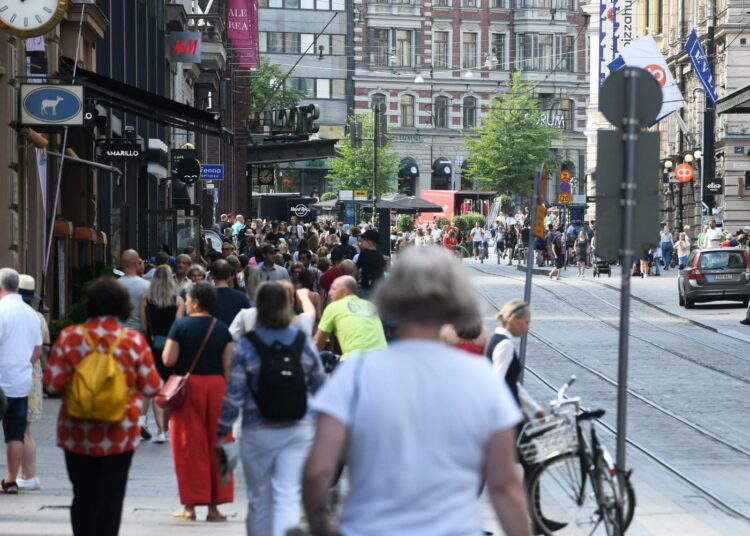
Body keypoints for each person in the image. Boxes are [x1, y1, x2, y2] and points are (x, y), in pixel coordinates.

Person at [303, 247, 530, 536]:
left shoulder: (356, 374)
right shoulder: (480, 379)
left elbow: (317, 470)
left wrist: (321, 526)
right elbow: (504, 486)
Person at [43, 277, 161, 534]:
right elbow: (153, 386)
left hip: (77, 433)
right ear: (123, 306)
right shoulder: (132, 341)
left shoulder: (70, 337)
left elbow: (51, 383)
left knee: (82, 496)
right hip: (119, 434)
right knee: (111, 500)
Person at [219, 282, 326, 536]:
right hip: (299, 428)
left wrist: (221, 430)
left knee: (258, 498)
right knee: (288, 493)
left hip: (258, 428)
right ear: (288, 305)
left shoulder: (247, 345)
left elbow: (234, 394)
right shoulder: (302, 342)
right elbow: (320, 384)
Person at [162, 282, 234, 521]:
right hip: (216, 387)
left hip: (189, 389)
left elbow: (169, 359)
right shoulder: (223, 329)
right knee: (220, 443)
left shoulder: (180, 326)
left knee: (188, 446)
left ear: (193, 302)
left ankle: (191, 506)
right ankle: (215, 508)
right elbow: (228, 368)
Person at [0, 268, 43, 494]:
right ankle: (10, 479)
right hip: (21, 382)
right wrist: (23, 363)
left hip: (1, 381)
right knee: (15, 434)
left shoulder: (1, 310)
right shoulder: (30, 314)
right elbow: (37, 349)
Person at [140, 265, 184, 443]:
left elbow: (143, 327)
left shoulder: (146, 299)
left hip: (152, 345)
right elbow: (179, 326)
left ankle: (144, 420)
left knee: (151, 383)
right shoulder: (178, 301)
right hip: (171, 347)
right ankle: (162, 430)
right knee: (167, 387)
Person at [16, 275, 49, 491]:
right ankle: (25, 473)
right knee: (25, 429)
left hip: (19, 374)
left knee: (21, 430)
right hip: (34, 374)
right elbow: (45, 346)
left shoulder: (14, 315)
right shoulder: (38, 318)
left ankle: (28, 475)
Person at [313, 276, 387, 361]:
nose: (329, 293)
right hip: (383, 360)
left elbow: (318, 343)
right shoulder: (369, 305)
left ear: (345, 292)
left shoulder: (333, 307)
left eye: (333, 288)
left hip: (356, 362)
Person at [210, 259, 252, 327]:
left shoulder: (205, 297)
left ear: (213, 275)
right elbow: (249, 320)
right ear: (229, 275)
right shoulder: (241, 296)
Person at [118, 249, 150, 333]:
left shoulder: (114, 286)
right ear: (136, 264)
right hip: (138, 334)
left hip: (118, 334)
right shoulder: (147, 285)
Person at [355, 229, 385, 295]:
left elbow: (356, 268)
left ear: (369, 242)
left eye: (362, 241)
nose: (361, 243)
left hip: (366, 286)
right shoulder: (379, 255)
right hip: (378, 287)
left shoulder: (363, 254)